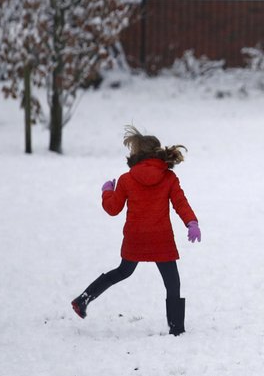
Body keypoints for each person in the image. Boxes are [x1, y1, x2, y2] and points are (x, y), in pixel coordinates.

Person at [71, 125, 201, 336]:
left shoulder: (126, 179)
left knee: (123, 271)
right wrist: (191, 223)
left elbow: (113, 209)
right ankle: (176, 328)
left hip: (135, 238)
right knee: (172, 282)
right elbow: (181, 203)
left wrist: (106, 192)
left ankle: (83, 299)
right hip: (161, 239)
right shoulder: (168, 178)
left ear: (137, 155)